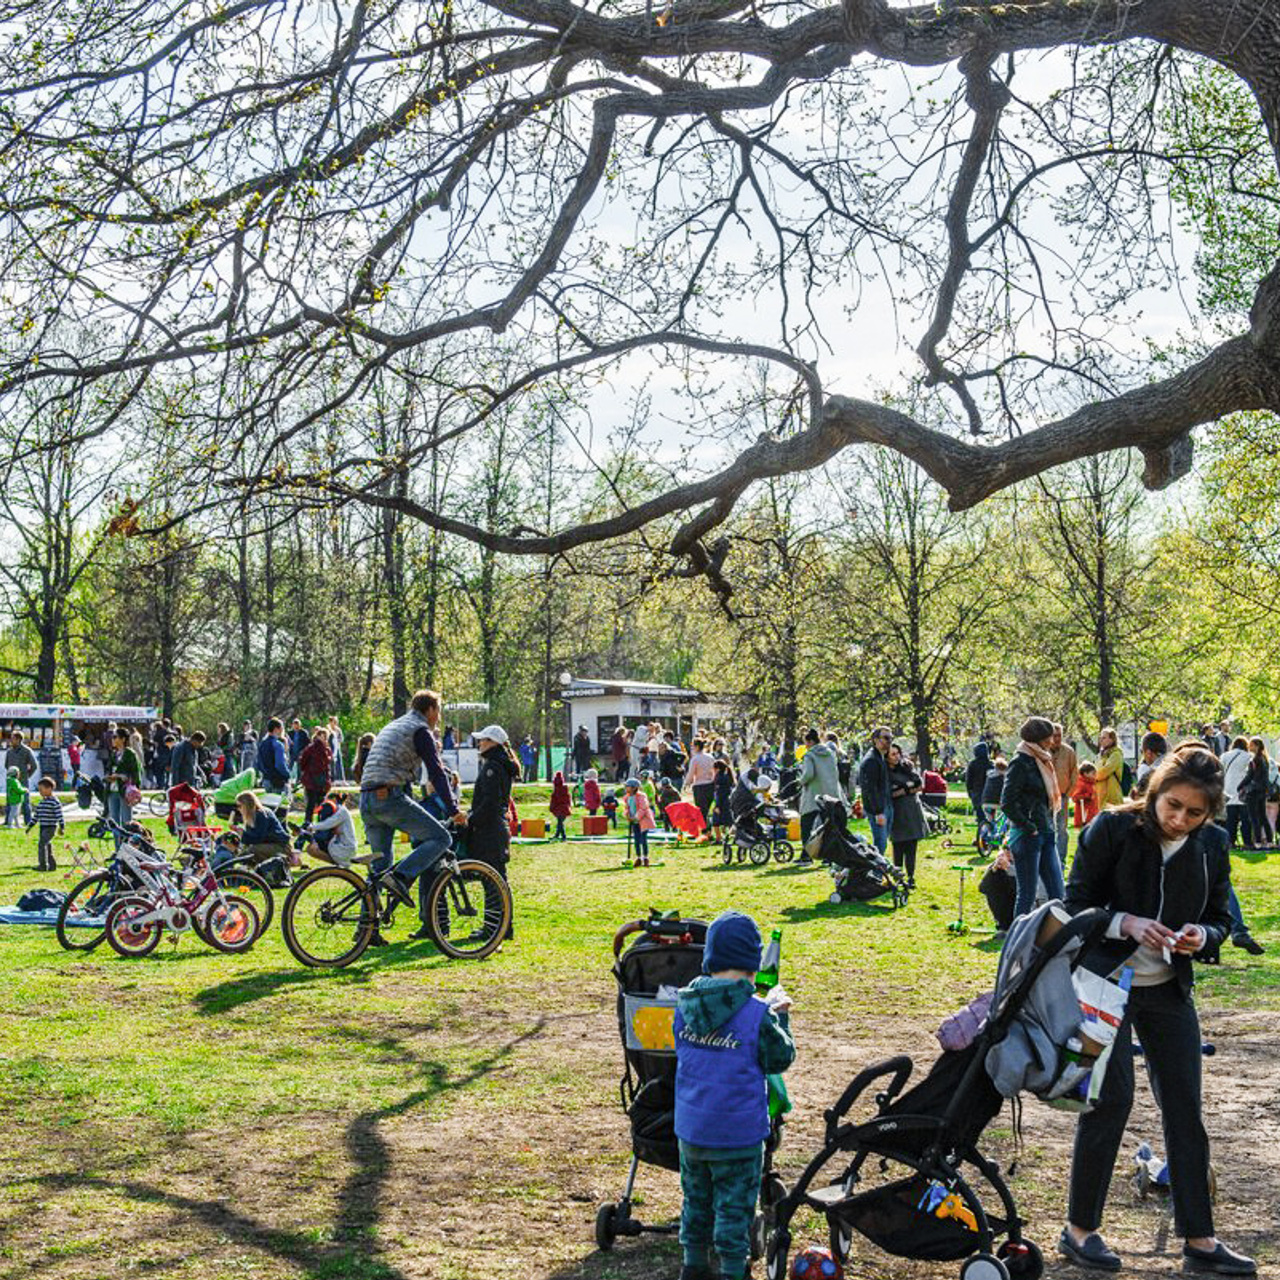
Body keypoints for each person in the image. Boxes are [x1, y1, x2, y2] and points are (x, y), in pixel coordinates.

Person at [1060, 748, 1254, 1277]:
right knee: (1111, 1099)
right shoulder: (1111, 829)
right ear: (1154, 791)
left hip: (1168, 988)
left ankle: (1200, 1237)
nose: (1180, 820)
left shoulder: (1212, 844)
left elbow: (1219, 918)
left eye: (1195, 814)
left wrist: (1203, 935)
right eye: (1173, 806)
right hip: (1103, 984)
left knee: (1185, 1108)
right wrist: (1125, 923)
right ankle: (1080, 1230)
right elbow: (1074, 905)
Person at [673, 909, 795, 1280]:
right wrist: (780, 1016)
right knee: (733, 1209)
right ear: (752, 965)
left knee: (696, 1201)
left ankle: (693, 1265)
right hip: (738, 1136)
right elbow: (780, 1058)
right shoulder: (757, 1013)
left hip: (692, 1129)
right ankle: (731, 1269)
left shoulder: (684, 1005)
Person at [358, 689, 467, 911]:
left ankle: (366, 931)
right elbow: (436, 773)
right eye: (439, 710)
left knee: (379, 870)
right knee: (441, 838)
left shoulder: (395, 725)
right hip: (389, 798)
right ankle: (400, 877)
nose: (439, 717)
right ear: (430, 710)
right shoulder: (420, 730)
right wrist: (453, 809)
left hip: (367, 798)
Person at [1000, 716, 1064, 920]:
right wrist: (1029, 827)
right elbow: (1007, 802)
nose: (1052, 741)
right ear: (1038, 739)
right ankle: (1016, 941)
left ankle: (1056, 938)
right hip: (1028, 835)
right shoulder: (1020, 762)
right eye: (1048, 737)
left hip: (1046, 830)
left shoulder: (1042, 759)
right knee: (1027, 895)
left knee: (1058, 892)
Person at [462, 724, 520, 943]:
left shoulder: (492, 767)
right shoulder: (496, 764)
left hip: (489, 830)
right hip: (494, 827)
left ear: (494, 743)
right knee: (495, 879)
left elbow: (488, 803)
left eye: (484, 740)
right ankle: (500, 926)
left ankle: (496, 927)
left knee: (493, 880)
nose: (480, 743)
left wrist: (470, 819)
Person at [886, 744, 927, 888]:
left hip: (911, 810)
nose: (896, 757)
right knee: (898, 845)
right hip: (896, 812)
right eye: (892, 754)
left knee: (911, 845)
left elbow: (919, 785)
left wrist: (904, 790)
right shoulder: (885, 772)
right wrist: (905, 789)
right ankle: (898, 876)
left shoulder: (907, 767)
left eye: (898, 753)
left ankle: (911, 876)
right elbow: (889, 793)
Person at [797, 727, 842, 850]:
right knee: (828, 826)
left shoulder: (809, 755)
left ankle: (807, 854)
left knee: (806, 824)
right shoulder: (830, 753)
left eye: (806, 743)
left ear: (811, 742)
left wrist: (800, 781)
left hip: (813, 794)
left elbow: (808, 774)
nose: (805, 746)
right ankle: (829, 855)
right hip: (829, 794)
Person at [857, 727, 894, 856]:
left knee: (882, 844)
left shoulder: (880, 757)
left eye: (891, 738)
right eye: (886, 738)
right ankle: (874, 874)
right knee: (880, 845)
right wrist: (878, 812)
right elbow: (870, 789)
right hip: (878, 809)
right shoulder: (871, 760)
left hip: (885, 806)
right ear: (875, 740)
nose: (889, 741)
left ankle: (875, 872)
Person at [103, 728, 142, 847]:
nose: (112, 739)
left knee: (127, 822)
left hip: (124, 791)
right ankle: (117, 850)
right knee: (114, 822)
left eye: (115, 737)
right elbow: (109, 769)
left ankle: (128, 848)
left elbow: (136, 773)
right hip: (112, 790)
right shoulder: (114, 753)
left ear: (123, 739)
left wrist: (121, 776)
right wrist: (108, 777)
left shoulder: (130, 753)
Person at [234, 791, 291, 868]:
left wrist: (242, 834)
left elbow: (259, 838)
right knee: (243, 854)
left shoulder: (261, 814)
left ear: (246, 805)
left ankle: (269, 869)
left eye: (239, 806)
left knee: (252, 850)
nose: (238, 809)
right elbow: (250, 840)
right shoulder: (250, 817)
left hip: (281, 846)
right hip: (269, 844)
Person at [1049, 724, 1079, 865]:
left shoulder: (1069, 752)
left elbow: (1074, 773)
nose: (1057, 738)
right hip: (1046, 796)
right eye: (1054, 735)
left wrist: (1068, 793)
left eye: (1059, 735)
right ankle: (1049, 859)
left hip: (1063, 795)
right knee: (1048, 828)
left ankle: (1061, 859)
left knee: (1062, 829)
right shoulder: (1043, 750)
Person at [1240, 736, 1273, 849]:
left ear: (1257, 746)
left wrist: (1240, 786)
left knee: (1254, 818)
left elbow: (1250, 776)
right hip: (1262, 791)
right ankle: (1269, 841)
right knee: (1263, 817)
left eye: (1251, 744)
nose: (1249, 746)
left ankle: (1258, 842)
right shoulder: (1264, 759)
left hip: (1253, 792)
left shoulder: (1255, 760)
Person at [1219, 735, 1251, 848]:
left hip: (1228, 790)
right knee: (1245, 820)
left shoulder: (1224, 756)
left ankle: (1230, 842)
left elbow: (1220, 772)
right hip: (1243, 792)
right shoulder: (1248, 756)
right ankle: (1247, 842)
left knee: (1230, 821)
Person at [298, 727, 333, 823]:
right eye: (322, 736)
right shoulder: (315, 749)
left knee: (313, 805)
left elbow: (302, 763)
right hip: (315, 780)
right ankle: (317, 825)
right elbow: (303, 762)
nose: (324, 739)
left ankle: (311, 824)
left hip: (317, 781)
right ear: (317, 736)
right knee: (316, 805)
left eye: (326, 737)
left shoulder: (324, 750)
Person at [29, 776, 64, 871]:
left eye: (41, 789)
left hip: (50, 827)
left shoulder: (54, 802)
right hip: (43, 827)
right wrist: (30, 826)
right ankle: (52, 864)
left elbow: (59, 815)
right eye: (39, 789)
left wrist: (62, 827)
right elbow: (36, 815)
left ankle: (43, 865)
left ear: (49, 789)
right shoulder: (42, 802)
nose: (40, 792)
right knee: (47, 845)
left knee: (42, 844)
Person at [5, 731, 38, 826]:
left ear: (19, 740)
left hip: (23, 780)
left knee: (25, 801)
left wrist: (27, 775)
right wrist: (11, 776)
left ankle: (28, 821)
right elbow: (6, 765)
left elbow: (34, 765)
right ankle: (8, 821)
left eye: (13, 738)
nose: (11, 740)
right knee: (9, 801)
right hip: (11, 781)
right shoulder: (9, 751)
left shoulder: (26, 751)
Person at [683, 738, 717, 825]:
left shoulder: (695, 759)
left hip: (699, 786)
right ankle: (707, 828)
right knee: (707, 808)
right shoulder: (710, 757)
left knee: (701, 810)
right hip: (710, 785)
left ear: (697, 747)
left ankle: (705, 829)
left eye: (693, 747)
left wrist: (686, 784)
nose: (692, 749)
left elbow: (691, 774)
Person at [623, 777, 655, 867]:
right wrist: (627, 815)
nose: (626, 788)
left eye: (628, 787)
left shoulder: (641, 796)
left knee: (643, 839)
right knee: (636, 840)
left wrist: (636, 817)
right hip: (634, 821)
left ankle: (645, 857)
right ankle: (639, 857)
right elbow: (626, 808)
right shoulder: (627, 798)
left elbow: (643, 808)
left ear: (634, 788)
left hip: (643, 821)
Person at [256, 718, 292, 795]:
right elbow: (279, 765)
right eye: (281, 729)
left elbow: (258, 763)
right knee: (280, 806)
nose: (282, 731)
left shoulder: (262, 743)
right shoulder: (278, 745)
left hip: (266, 780)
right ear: (276, 729)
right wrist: (288, 774)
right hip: (278, 781)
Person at [1093, 728, 1124, 808]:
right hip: (1099, 796)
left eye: (1104, 738)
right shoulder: (1100, 755)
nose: (1101, 740)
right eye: (1100, 738)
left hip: (1112, 797)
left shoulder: (1116, 754)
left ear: (1112, 739)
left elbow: (1103, 773)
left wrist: (1092, 776)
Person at [965, 740, 991, 825]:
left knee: (979, 812)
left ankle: (981, 825)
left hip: (977, 792)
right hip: (989, 792)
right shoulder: (990, 764)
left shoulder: (973, 764)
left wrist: (969, 791)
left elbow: (969, 780)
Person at [711, 759, 734, 841]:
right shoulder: (727, 776)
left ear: (718, 769)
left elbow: (720, 793)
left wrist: (717, 806)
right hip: (728, 802)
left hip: (722, 802)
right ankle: (734, 838)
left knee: (715, 822)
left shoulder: (719, 778)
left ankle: (718, 838)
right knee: (729, 821)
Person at [549, 770, 572, 840]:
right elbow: (568, 800)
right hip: (565, 809)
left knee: (560, 823)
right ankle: (558, 835)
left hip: (559, 809)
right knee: (560, 823)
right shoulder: (566, 791)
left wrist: (551, 808)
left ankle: (563, 836)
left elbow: (553, 801)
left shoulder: (555, 792)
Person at [327, 716, 346, 781]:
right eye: (334, 721)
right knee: (330, 765)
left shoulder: (338, 729)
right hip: (330, 749)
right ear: (330, 722)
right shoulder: (327, 729)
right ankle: (331, 780)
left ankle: (342, 780)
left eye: (336, 722)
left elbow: (341, 739)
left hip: (337, 748)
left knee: (339, 764)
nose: (335, 723)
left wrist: (337, 740)